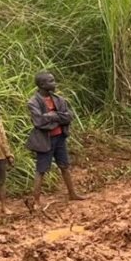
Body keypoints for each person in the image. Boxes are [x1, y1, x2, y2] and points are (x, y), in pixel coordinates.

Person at [27, 71, 85, 210]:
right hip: (45, 140)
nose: (54, 83)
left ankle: (72, 193)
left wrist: (52, 115)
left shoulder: (59, 99)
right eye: (51, 81)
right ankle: (36, 201)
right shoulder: (33, 102)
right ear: (42, 84)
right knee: (41, 170)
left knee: (64, 166)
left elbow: (69, 116)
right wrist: (58, 118)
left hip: (60, 137)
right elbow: (39, 122)